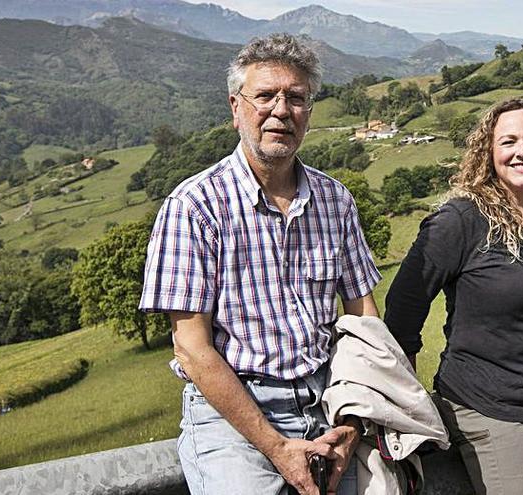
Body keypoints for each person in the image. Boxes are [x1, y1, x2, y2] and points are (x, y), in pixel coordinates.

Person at [138, 34, 381, 495]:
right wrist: (276, 446)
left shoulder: (335, 200)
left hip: (327, 403)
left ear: (309, 111)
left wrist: (350, 426)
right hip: (235, 413)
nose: (281, 110)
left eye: (296, 98)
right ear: (236, 108)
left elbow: (364, 320)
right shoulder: (194, 206)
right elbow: (191, 349)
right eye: (265, 96)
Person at [385, 99, 523, 495]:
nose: (522, 151)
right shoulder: (460, 221)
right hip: (490, 400)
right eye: (509, 141)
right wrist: (408, 398)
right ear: (488, 151)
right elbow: (403, 309)